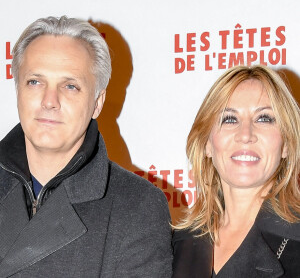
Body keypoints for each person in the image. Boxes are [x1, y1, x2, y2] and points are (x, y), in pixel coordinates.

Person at [0, 16, 172, 277]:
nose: (50, 101)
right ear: (18, 91)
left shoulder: (136, 207)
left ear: (97, 102)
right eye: (35, 81)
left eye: (70, 86)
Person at [172, 65, 300, 277]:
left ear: (286, 144)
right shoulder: (172, 247)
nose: (245, 134)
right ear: (207, 144)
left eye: (264, 118)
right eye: (229, 119)